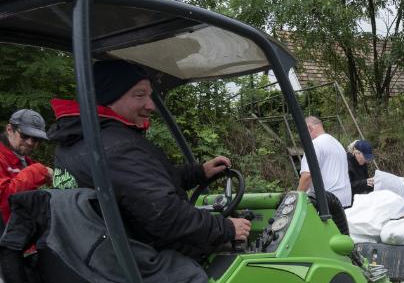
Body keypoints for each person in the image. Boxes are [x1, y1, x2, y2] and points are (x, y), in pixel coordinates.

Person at [48, 60, 251, 258]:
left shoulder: (76, 140)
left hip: (99, 254)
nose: (150, 105)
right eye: (139, 95)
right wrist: (225, 227)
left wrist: (199, 172)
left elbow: (142, 184)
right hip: (144, 260)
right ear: (107, 97)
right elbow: (165, 215)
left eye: (150, 96)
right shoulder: (117, 147)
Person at [0, 109, 53, 224]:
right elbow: (4, 199)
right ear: (9, 129)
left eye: (36, 139)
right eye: (25, 135)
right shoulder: (2, 159)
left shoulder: (24, 161)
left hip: (23, 235)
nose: (30, 142)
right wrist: (38, 171)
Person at [297, 116, 352, 208]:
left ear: (309, 129)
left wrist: (297, 199)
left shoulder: (314, 145)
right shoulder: (337, 143)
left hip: (327, 201)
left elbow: (307, 176)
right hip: (344, 200)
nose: (302, 137)